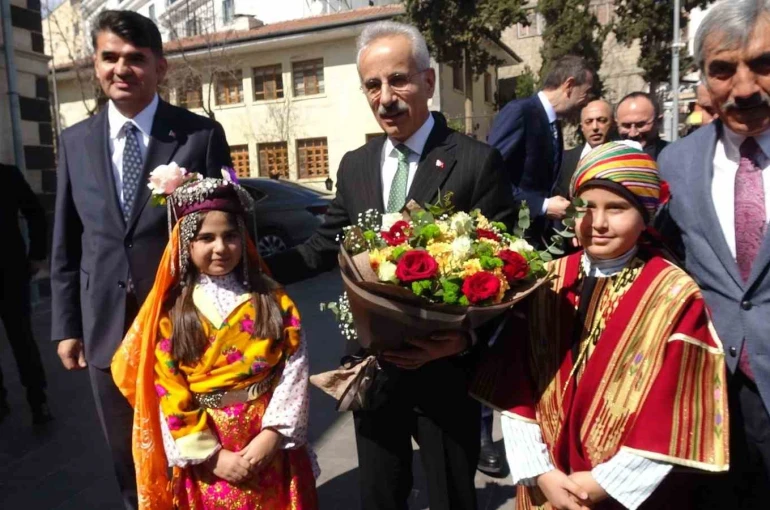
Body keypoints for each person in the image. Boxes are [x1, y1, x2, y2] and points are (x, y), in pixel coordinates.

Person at [265, 21, 517, 510]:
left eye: (398, 80)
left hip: (446, 374)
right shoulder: (355, 164)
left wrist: (464, 339)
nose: (385, 98)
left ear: (428, 81)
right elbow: (323, 246)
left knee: (452, 498)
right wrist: (249, 267)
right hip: (373, 369)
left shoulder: (475, 162)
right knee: (380, 496)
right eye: (372, 85)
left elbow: (507, 273)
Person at [474, 142, 729, 510]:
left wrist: (602, 484)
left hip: (623, 490)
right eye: (586, 207)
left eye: (617, 208)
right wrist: (540, 471)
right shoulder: (547, 279)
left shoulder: (674, 294)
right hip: (545, 479)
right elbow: (516, 384)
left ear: (646, 215)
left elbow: (674, 407)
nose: (598, 223)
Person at [50, 10, 231, 509]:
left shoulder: (198, 136)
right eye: (109, 57)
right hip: (106, 327)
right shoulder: (75, 142)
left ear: (159, 67)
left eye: (135, 58)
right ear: (96, 64)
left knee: (195, 444)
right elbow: (67, 241)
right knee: (126, 453)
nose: (121, 69)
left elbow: (230, 232)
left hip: (185, 323)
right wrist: (67, 326)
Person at [111, 175, 318, 509]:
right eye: (206, 238)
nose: (220, 248)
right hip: (209, 448)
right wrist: (210, 454)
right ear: (186, 244)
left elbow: (295, 365)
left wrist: (273, 434)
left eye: (230, 236)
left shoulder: (271, 298)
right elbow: (168, 386)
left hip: (267, 439)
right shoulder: (174, 311)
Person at [659, 1, 770, 506]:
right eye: (723, 70)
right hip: (710, 400)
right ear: (703, 79)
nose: (744, 88)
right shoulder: (675, 163)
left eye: (763, 63)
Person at [488, 55, 595, 244]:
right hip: (512, 236)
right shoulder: (520, 112)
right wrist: (542, 206)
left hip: (539, 238)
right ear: (569, 85)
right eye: (586, 92)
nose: (586, 101)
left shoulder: (554, 124)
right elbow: (489, 175)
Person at [0, 163, 53, 425]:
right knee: (22, 336)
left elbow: (35, 212)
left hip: (9, 270)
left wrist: (37, 254)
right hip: (12, 268)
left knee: (22, 337)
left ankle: (37, 398)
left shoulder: (6, 175)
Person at [555, 99, 615, 198]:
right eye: (588, 122)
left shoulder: (625, 158)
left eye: (601, 120)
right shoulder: (563, 161)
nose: (595, 127)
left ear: (613, 124)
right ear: (582, 127)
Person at [615, 92, 668, 160]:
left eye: (640, 125)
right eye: (626, 126)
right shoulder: (606, 159)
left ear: (659, 122)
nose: (633, 134)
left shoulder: (675, 157)